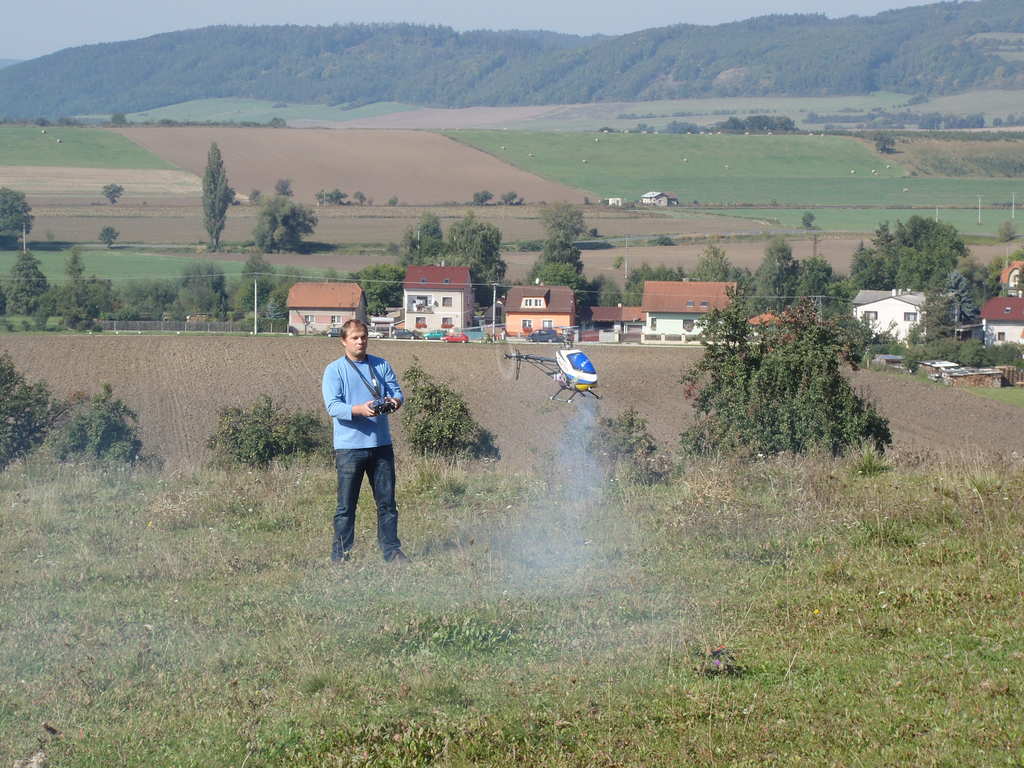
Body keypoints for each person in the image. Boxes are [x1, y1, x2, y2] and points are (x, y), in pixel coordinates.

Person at [322, 319, 409, 563]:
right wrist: (360, 409)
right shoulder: (334, 370)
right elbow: (333, 406)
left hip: (381, 445)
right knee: (346, 507)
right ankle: (341, 556)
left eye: (364, 337)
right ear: (343, 341)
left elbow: (397, 392)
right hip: (349, 448)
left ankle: (392, 552)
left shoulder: (381, 365)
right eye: (355, 338)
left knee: (387, 504)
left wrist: (394, 402)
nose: (360, 341)